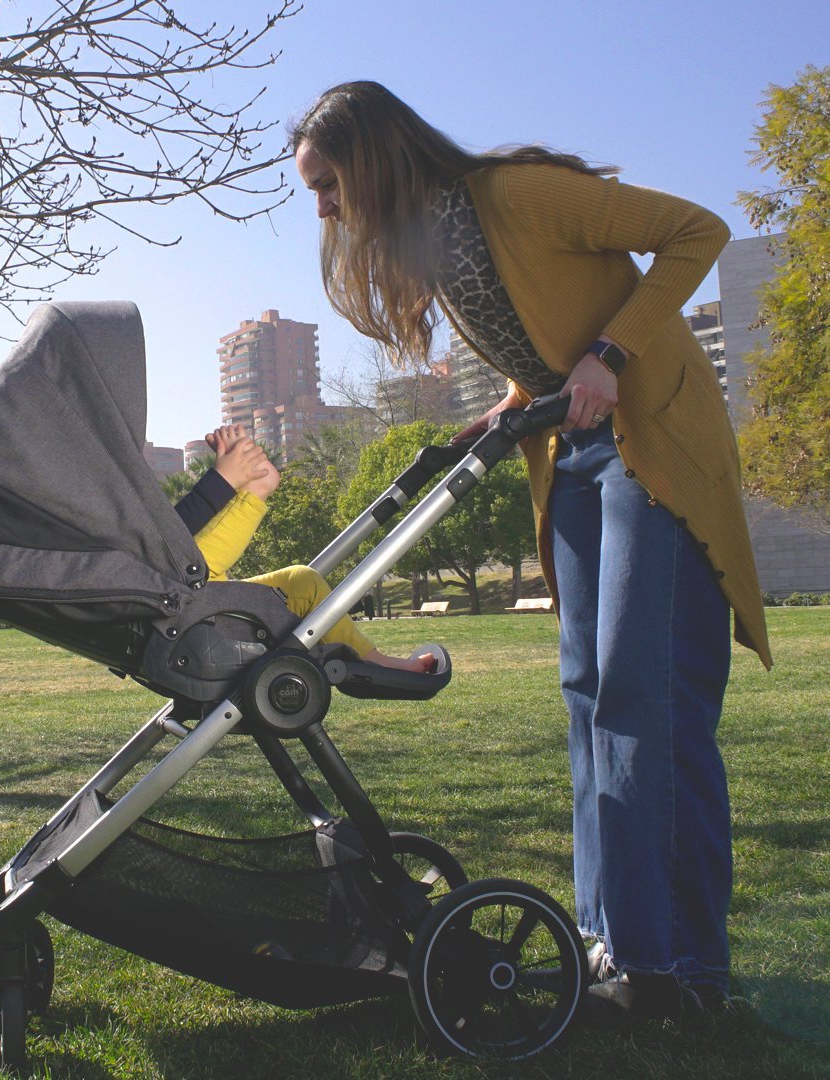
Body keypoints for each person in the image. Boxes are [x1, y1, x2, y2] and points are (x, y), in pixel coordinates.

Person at [291, 80, 772, 1018]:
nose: (323, 208)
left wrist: (611, 356)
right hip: (573, 453)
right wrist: (520, 396)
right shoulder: (433, 239)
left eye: (329, 184)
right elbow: (547, 335)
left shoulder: (516, 194)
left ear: (377, 160)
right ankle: (612, 943)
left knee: (645, 695)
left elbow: (697, 231)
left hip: (649, 442)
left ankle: (678, 971)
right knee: (591, 696)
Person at [178, 424, 436, 673]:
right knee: (195, 568)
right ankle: (254, 487)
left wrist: (222, 483)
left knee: (303, 582)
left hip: (181, 594)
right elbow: (160, 538)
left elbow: (164, 531)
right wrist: (221, 481)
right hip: (180, 599)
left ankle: (370, 659)